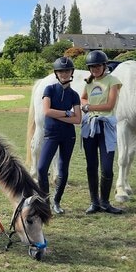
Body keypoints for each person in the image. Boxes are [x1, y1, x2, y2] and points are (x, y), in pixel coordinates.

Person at [80, 50, 124, 215]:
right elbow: (83, 98)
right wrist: (86, 105)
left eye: (98, 66)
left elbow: (109, 106)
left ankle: (105, 202)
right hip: (90, 126)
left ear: (104, 66)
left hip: (106, 127)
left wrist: (89, 107)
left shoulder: (113, 81)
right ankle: (94, 202)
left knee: (106, 168)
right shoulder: (89, 82)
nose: (95, 69)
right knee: (91, 166)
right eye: (92, 67)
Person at [37, 57, 81, 215]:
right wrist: (67, 113)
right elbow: (47, 111)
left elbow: (78, 119)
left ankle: (56, 201)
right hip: (51, 134)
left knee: (63, 169)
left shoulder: (74, 95)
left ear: (71, 72)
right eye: (61, 71)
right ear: (56, 73)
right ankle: (45, 201)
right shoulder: (49, 89)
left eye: (67, 71)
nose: (64, 73)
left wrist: (60, 115)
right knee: (41, 168)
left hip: (68, 135)